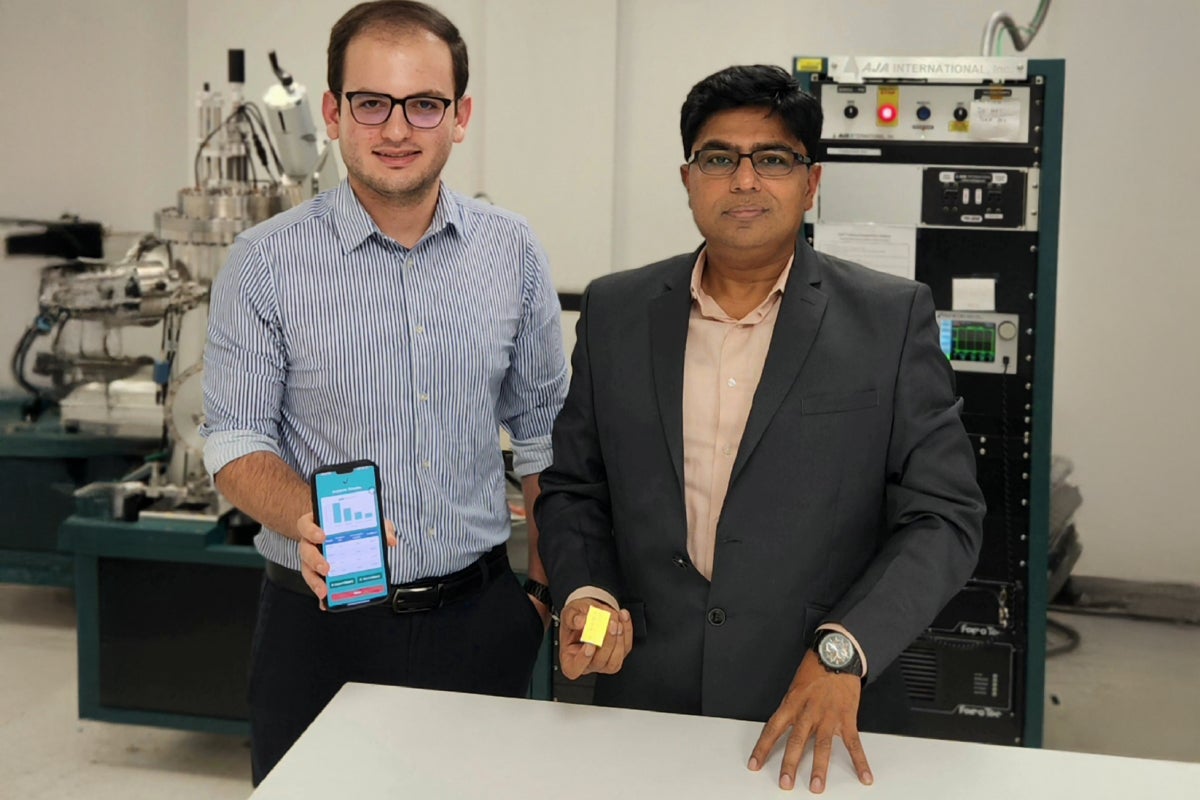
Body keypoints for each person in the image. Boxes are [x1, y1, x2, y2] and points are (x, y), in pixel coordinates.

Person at [535, 64, 984, 794]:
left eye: (772, 159)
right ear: (688, 179)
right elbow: (575, 488)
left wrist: (844, 652)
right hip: (645, 699)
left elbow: (945, 517)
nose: (744, 181)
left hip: (819, 706)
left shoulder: (888, 319)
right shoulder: (617, 312)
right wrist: (587, 590)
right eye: (719, 158)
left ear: (811, 184)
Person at [201, 0, 567, 784]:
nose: (396, 129)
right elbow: (235, 440)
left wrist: (540, 593)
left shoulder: (513, 252)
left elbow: (544, 438)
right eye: (371, 102)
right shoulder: (263, 263)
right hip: (320, 628)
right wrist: (306, 516)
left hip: (481, 622)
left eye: (424, 104)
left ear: (459, 116)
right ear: (333, 112)